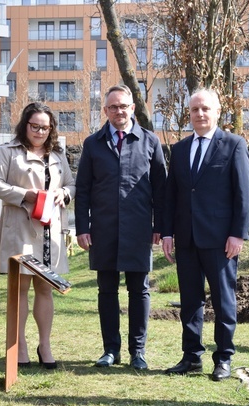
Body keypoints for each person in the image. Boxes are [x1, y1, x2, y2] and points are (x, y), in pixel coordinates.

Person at [161, 88, 249, 382]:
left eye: (205, 109)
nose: (199, 114)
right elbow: (171, 195)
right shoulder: (179, 149)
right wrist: (167, 233)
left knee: (224, 301)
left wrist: (238, 235)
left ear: (217, 112)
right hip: (186, 239)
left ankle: (223, 358)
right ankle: (191, 357)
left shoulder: (234, 145)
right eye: (194, 110)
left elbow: (244, 194)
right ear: (188, 114)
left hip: (220, 240)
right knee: (190, 301)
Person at [75, 85, 167, 370]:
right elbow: (83, 190)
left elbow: (161, 190)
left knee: (139, 290)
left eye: (123, 106)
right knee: (106, 290)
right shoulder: (92, 144)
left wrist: (160, 226)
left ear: (132, 109)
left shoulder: (150, 141)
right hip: (103, 229)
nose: (119, 111)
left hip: (139, 229)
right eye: (113, 107)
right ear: (105, 111)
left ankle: (137, 352)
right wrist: (82, 227)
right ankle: (110, 350)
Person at [0, 102, 74, 368]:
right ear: (25, 125)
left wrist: (64, 193)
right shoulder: (8, 151)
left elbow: (70, 183)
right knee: (20, 289)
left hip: (50, 232)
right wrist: (26, 195)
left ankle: (44, 345)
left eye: (45, 127)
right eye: (35, 126)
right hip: (21, 228)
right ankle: (19, 346)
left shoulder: (58, 154)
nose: (40, 131)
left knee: (45, 288)